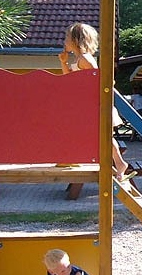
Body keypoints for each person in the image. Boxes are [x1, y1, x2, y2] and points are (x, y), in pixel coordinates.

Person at [58, 22, 136, 182]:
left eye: (67, 37)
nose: (64, 40)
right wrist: (63, 62)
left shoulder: (85, 59)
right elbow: (69, 81)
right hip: (87, 106)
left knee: (97, 135)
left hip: (94, 105)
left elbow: (98, 78)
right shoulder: (79, 59)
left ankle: (116, 164)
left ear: (76, 40)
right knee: (100, 136)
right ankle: (119, 164)